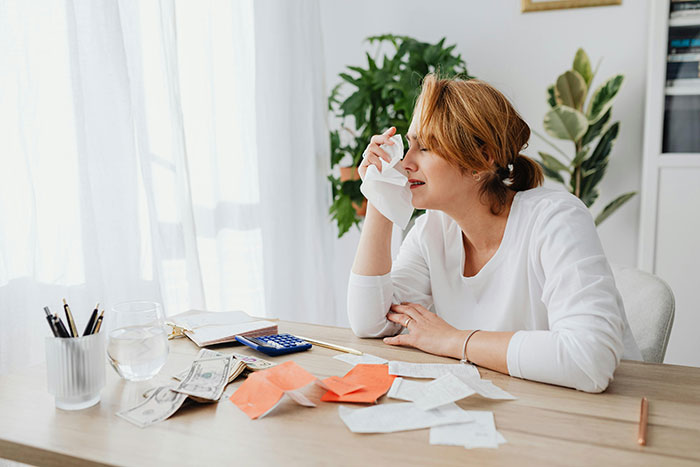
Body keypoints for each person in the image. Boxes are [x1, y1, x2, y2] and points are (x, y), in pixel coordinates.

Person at [347, 74, 641, 393]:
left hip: (610, 417)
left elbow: (590, 361)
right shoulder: (432, 231)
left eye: (426, 148)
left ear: (482, 160)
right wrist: (379, 195)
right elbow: (372, 322)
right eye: (410, 145)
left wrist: (453, 340)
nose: (405, 163)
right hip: (518, 408)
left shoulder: (556, 219)